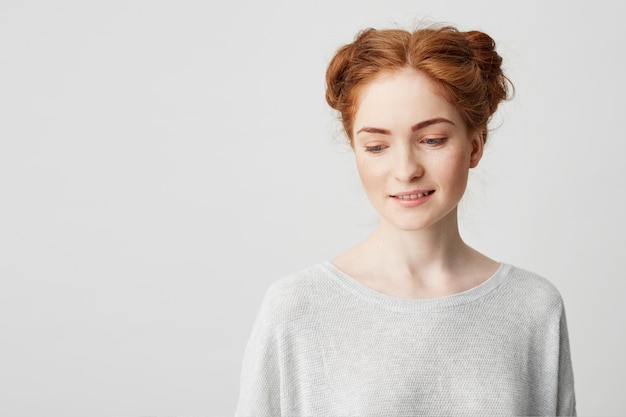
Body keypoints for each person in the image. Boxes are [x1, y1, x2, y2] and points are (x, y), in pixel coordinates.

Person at [235, 24, 576, 416]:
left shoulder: (533, 308)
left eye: (432, 140)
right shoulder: (296, 309)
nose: (405, 169)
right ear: (356, 150)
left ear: (475, 145)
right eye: (377, 146)